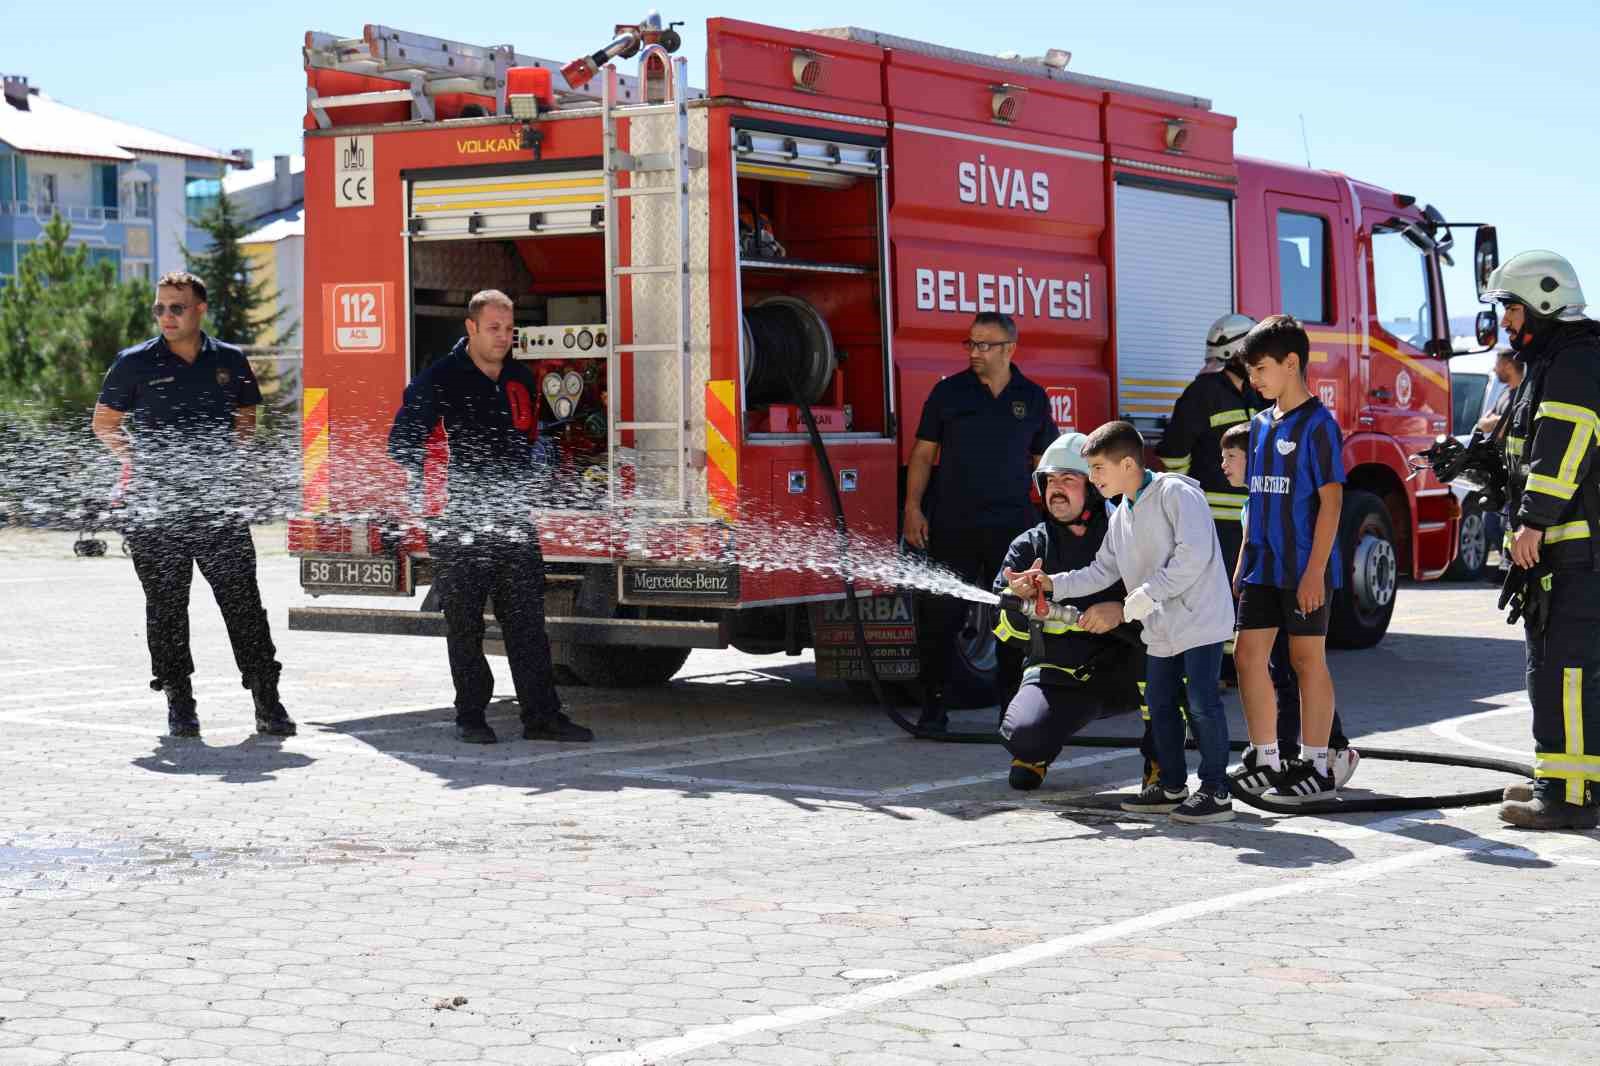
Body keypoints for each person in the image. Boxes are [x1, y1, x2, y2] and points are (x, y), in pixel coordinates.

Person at [91, 272, 295, 740]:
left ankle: (268, 701)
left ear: (200, 309)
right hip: (155, 511)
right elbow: (104, 423)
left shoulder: (229, 359)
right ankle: (179, 704)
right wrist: (139, 460)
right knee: (166, 609)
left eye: (176, 307)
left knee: (243, 605)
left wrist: (228, 460)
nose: (166, 316)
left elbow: (246, 415)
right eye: (160, 308)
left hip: (218, 509)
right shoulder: (134, 363)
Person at [388, 290, 593, 745]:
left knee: (527, 623)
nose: (503, 337)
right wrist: (439, 483)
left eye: (509, 328)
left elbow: (530, 437)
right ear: (472, 328)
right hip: (458, 523)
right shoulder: (438, 380)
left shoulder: (519, 377)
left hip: (513, 521)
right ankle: (471, 716)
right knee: (465, 624)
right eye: (494, 328)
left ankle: (541, 716)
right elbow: (400, 443)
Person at [1011, 421, 1235, 823]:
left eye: (1098, 469)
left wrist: (1134, 603)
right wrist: (1052, 583)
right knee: (1161, 704)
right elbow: (1100, 571)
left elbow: (1192, 558)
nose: (1093, 478)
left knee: (1202, 705)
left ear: (1128, 464)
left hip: (1199, 623)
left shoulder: (1176, 494)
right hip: (1161, 627)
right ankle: (1170, 786)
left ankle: (1216, 791)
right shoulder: (1122, 514)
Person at [1483, 251, 1600, 830]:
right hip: (1560, 549)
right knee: (1551, 668)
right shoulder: (1552, 363)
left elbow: (1564, 452)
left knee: (1567, 672)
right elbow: (1527, 452)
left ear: (1543, 302)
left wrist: (1532, 520)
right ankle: (1557, 777)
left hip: (1573, 549)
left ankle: (1571, 796)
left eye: (1511, 307)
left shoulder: (1575, 361)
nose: (1505, 319)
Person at [904, 312, 1058, 731]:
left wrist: (1054, 518)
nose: (974, 352)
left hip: (1012, 529)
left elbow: (1046, 462)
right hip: (953, 523)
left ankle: (1010, 711)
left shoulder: (1032, 397)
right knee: (939, 618)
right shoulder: (949, 394)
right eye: (970, 344)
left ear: (1010, 348)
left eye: (984, 344)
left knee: (1010, 621)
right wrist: (912, 508)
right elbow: (922, 454)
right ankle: (933, 709)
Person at [1231, 315, 1345, 802]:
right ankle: (1266, 758)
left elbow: (1332, 502)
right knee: (1246, 655)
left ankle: (1318, 763)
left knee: (1305, 660)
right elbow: (1254, 501)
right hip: (1262, 567)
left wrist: (1315, 571)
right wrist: (1241, 561)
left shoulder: (1319, 425)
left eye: (1260, 369)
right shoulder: (1257, 426)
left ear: (1292, 363)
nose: (1253, 380)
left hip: (1303, 571)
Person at [991, 432, 1146, 790]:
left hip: (1125, 668)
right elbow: (1002, 631)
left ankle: (1161, 761)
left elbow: (1168, 601)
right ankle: (1038, 750)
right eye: (1049, 481)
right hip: (1059, 671)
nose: (1056, 489)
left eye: (1068, 480)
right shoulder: (1029, 547)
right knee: (1023, 736)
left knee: (1167, 677)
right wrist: (1016, 604)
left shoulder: (1127, 534)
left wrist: (1121, 611)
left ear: (1092, 487)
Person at [1218, 422, 1359, 793]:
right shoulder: (1253, 502)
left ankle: (1334, 750)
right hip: (1266, 585)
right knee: (1277, 670)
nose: (1224, 465)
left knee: (1297, 670)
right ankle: (1273, 754)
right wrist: (1239, 575)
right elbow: (1250, 540)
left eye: (1231, 457)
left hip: (1295, 585)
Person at [1157, 314, 1265, 594]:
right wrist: (1187, 503)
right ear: (1236, 353)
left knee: (1248, 598)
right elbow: (1173, 454)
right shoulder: (1202, 393)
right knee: (1219, 597)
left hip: (1251, 518)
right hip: (1213, 522)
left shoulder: (1256, 396)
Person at [1475, 349, 1524, 574]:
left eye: (1498, 365)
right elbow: (1483, 423)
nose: (1495, 370)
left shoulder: (1524, 395)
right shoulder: (1504, 393)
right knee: (1490, 522)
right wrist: (1498, 422)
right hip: (1499, 473)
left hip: (1517, 474)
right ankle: (1508, 564)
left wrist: (1497, 423)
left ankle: (1511, 567)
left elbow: (1506, 426)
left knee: (1507, 522)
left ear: (1508, 365)